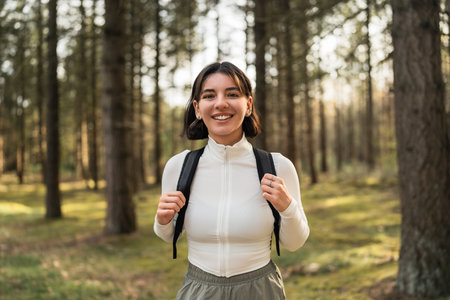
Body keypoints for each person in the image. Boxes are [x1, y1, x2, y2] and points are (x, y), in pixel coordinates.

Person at [154, 61, 309, 300]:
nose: (220, 103)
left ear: (248, 105)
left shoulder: (277, 167)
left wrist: (288, 208)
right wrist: (163, 221)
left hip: (260, 291)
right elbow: (167, 235)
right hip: (199, 290)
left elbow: (294, 243)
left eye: (232, 94)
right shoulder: (179, 167)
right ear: (197, 108)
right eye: (209, 96)